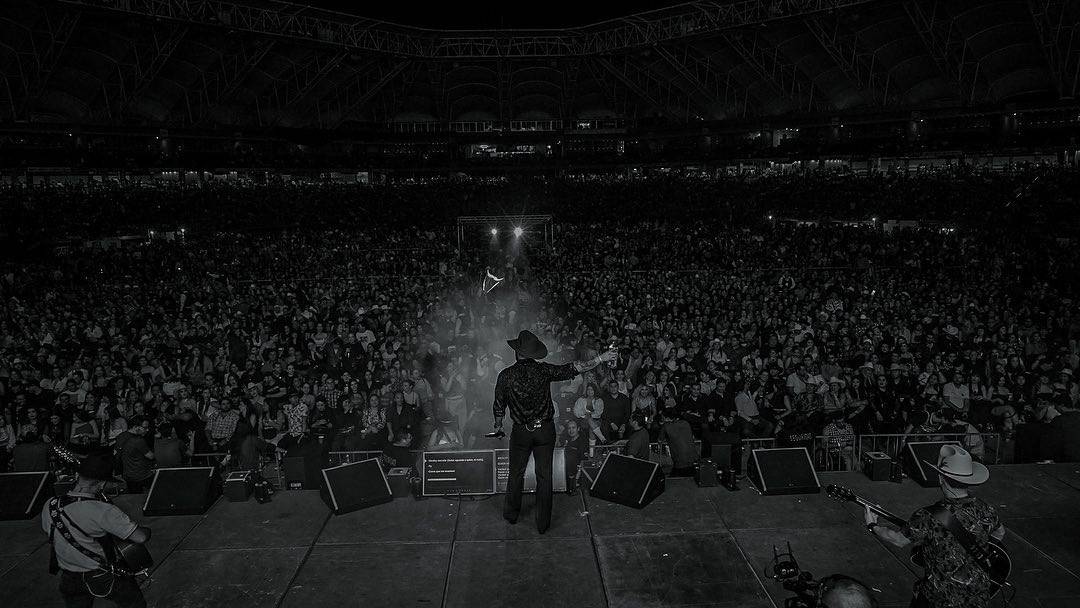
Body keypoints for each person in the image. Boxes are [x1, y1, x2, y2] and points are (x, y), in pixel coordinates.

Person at [493, 330, 616, 533]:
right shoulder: (543, 371)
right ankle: (543, 524)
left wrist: (498, 425)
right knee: (544, 476)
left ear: (517, 353)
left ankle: (511, 515)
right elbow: (574, 368)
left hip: (521, 432)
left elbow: (499, 405)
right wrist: (601, 358)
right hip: (544, 431)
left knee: (516, 474)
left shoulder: (505, 375)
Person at [865, 445, 1005, 608]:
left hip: (940, 597)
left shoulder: (928, 516)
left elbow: (898, 540)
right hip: (978, 595)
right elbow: (1000, 533)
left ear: (941, 478)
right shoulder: (986, 509)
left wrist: (872, 525)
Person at [41, 450, 152, 608]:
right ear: (101, 483)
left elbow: (51, 534)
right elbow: (140, 537)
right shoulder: (102, 510)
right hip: (101, 575)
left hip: (68, 577)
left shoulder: (50, 505)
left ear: (78, 477)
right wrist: (145, 529)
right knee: (135, 604)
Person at [115, 418, 155, 493]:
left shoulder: (120, 436)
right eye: (145, 428)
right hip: (142, 475)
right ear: (135, 427)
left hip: (128, 476)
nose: (147, 430)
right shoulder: (138, 440)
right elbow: (151, 456)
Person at [658, 407, 697, 476]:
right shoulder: (685, 423)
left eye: (662, 417)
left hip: (680, 463)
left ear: (666, 417)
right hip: (693, 460)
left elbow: (660, 440)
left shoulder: (666, 426)